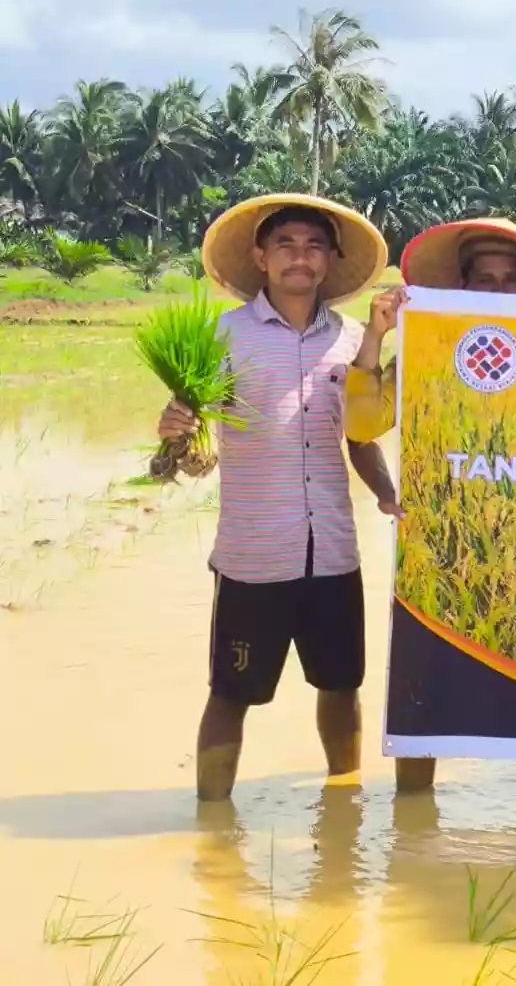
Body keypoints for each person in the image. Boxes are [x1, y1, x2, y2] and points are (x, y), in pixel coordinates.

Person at [158, 194, 396, 801]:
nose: (300, 256)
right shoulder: (223, 336)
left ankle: (343, 807)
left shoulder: (350, 340)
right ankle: (212, 820)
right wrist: (174, 433)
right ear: (261, 257)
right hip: (253, 556)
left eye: (315, 246)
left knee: (342, 686)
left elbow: (361, 437)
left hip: (334, 555)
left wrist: (389, 496)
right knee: (231, 694)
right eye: (286, 244)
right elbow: (193, 444)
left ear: (330, 262)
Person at [342, 217, 516, 794]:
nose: (497, 293)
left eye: (509, 281)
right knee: (427, 688)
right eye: (483, 281)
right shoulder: (430, 352)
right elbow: (363, 422)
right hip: (441, 544)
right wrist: (376, 336)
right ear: (463, 289)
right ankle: (414, 817)